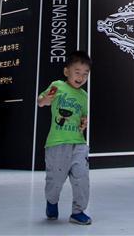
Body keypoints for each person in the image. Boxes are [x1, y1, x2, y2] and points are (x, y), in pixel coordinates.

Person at [37, 50, 91, 225]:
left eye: (85, 74)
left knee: (82, 178)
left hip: (79, 143)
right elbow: (41, 102)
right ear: (67, 71)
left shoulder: (84, 96)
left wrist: (84, 123)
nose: (81, 77)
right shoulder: (57, 85)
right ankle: (52, 201)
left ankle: (78, 211)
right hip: (57, 144)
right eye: (77, 72)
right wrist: (46, 98)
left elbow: (83, 117)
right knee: (55, 180)